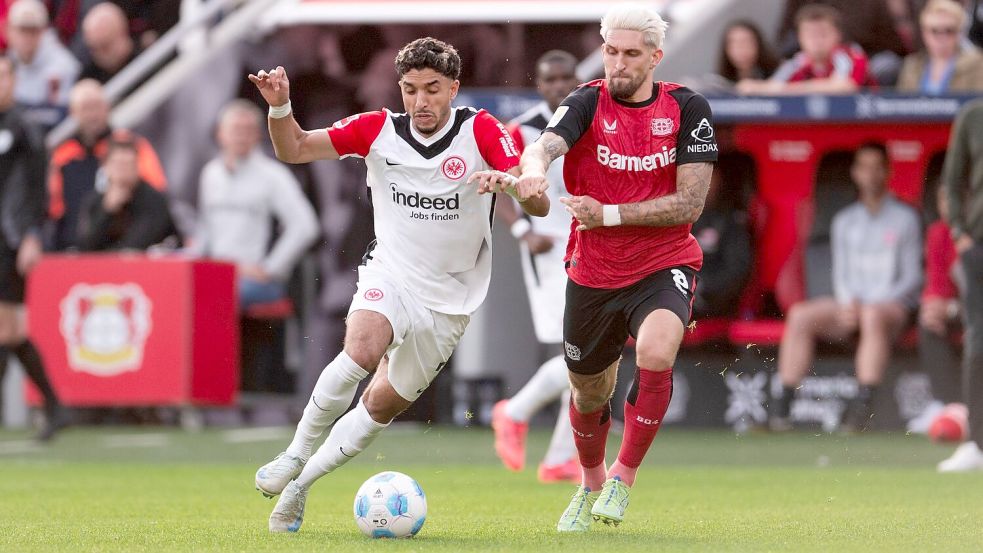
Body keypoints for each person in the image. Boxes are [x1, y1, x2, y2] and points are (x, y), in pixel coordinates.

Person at [248, 37, 549, 533]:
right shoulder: (376, 130)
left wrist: (518, 185)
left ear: (453, 88)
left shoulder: (481, 131)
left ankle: (301, 487)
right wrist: (280, 105)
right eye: (410, 89)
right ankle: (293, 454)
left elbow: (532, 198)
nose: (421, 101)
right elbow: (295, 147)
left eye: (432, 89)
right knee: (362, 350)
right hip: (392, 272)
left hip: (451, 297)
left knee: (381, 403)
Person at [479, 3, 718, 531]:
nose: (618, 64)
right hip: (593, 270)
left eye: (632, 54)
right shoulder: (586, 101)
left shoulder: (689, 108)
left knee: (657, 351)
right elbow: (544, 146)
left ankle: (622, 477)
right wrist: (533, 175)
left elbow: (689, 204)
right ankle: (588, 484)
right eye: (611, 52)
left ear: (655, 57)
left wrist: (607, 213)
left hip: (664, 260)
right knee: (588, 391)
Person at [770, 143, 922, 433]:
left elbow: (912, 277)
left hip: (892, 307)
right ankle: (783, 406)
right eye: (864, 167)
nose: (871, 174)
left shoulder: (905, 218)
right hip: (852, 306)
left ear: (888, 171)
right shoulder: (844, 221)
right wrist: (847, 302)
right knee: (801, 315)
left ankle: (862, 409)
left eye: (877, 167)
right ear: (855, 172)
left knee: (873, 316)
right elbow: (841, 273)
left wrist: (868, 306)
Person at [490, 49, 581, 484]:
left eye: (568, 77)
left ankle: (561, 456)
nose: (560, 85)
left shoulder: (590, 121)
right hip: (549, 249)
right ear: (540, 85)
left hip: (593, 244)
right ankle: (516, 411)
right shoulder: (522, 128)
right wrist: (523, 233)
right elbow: (500, 186)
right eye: (552, 79)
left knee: (589, 352)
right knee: (580, 353)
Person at [192, 100, 319, 309]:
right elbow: (205, 229)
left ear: (258, 135)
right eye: (235, 129)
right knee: (179, 287)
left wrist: (270, 268)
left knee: (213, 295)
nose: (241, 136)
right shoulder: (210, 173)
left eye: (248, 130)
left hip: (253, 278)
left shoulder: (273, 175)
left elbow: (305, 226)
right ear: (220, 134)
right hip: (216, 271)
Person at [0, 56, 66, 441]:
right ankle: (58, 408)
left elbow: (39, 188)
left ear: (15, 80)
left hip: (10, 238)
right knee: (9, 332)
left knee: (7, 328)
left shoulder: (25, 127)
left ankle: (57, 407)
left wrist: (31, 235)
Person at [48, 80, 166, 250]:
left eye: (96, 106)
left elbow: (154, 196)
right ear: (73, 112)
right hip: (78, 248)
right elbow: (55, 209)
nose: (92, 115)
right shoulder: (63, 155)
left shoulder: (132, 145)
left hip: (128, 245)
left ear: (107, 107)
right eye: (85, 108)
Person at [939, 98, 983, 472]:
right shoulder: (973, 116)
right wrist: (959, 232)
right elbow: (952, 183)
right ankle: (977, 444)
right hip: (979, 246)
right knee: (979, 340)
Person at [911, 184, 962, 432]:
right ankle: (948, 406)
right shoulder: (939, 232)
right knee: (929, 322)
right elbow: (936, 283)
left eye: (953, 198)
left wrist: (951, 308)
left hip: (973, 310)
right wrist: (935, 306)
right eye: (942, 200)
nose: (948, 206)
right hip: (961, 310)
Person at [737, 4, 875, 95]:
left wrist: (795, 89)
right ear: (799, 38)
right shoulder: (798, 62)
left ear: (838, 35)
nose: (816, 41)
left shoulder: (850, 54)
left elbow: (845, 87)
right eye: (810, 35)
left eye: (823, 34)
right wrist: (752, 86)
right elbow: (773, 86)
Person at [76, 135, 177, 251]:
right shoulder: (94, 201)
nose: (123, 170)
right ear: (105, 167)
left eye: (129, 164)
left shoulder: (154, 200)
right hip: (103, 266)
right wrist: (107, 210)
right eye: (118, 164)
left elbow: (138, 244)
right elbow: (85, 246)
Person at [4, 0, 80, 129]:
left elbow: (61, 116)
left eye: (33, 31)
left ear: (44, 31)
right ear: (9, 30)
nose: (27, 37)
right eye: (22, 30)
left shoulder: (63, 65)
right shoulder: (6, 64)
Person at [690, 170, 752, 318]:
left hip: (708, 299)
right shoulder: (677, 219)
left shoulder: (730, 221)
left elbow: (736, 271)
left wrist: (702, 288)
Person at [897, 0, 983, 94]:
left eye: (949, 31)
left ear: (959, 33)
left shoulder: (977, 63)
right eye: (934, 31)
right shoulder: (911, 65)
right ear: (924, 33)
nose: (941, 37)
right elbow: (902, 103)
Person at [79, 2, 137, 85]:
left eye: (105, 46)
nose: (100, 55)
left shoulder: (149, 56)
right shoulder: (90, 78)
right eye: (94, 49)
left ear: (122, 34)